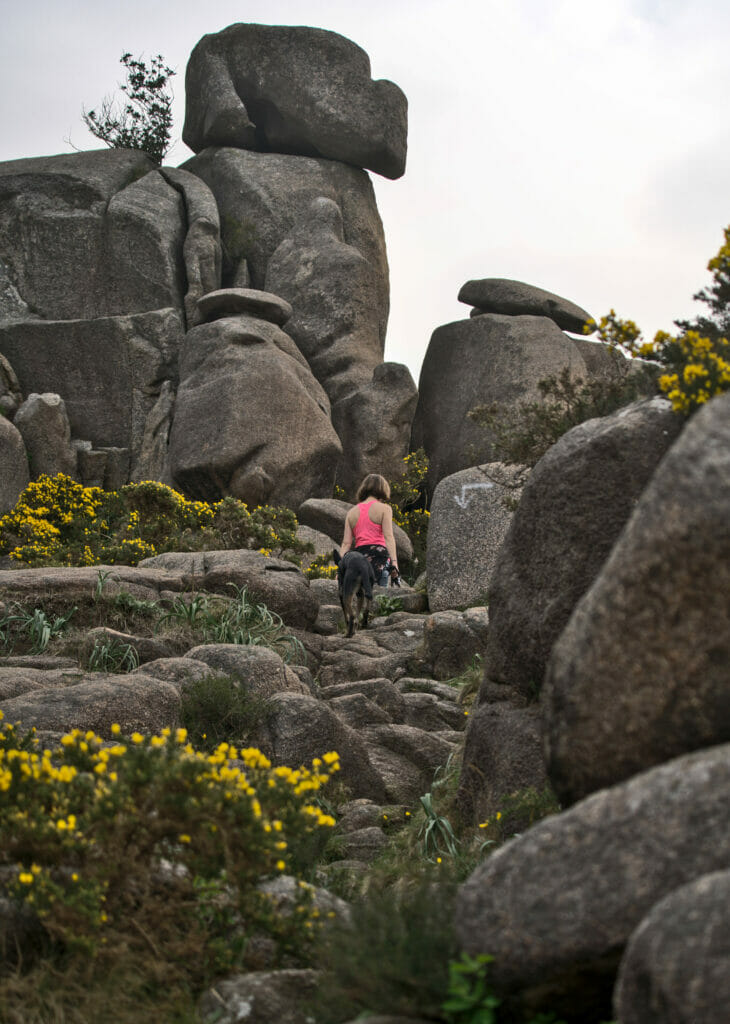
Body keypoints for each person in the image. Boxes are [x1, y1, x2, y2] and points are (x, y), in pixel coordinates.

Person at [340, 473, 400, 587]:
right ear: (383, 489)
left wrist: (340, 568)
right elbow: (389, 537)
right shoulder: (385, 509)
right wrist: (394, 563)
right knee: (379, 595)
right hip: (379, 557)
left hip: (358, 558)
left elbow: (346, 543)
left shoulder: (351, 512)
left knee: (361, 593)